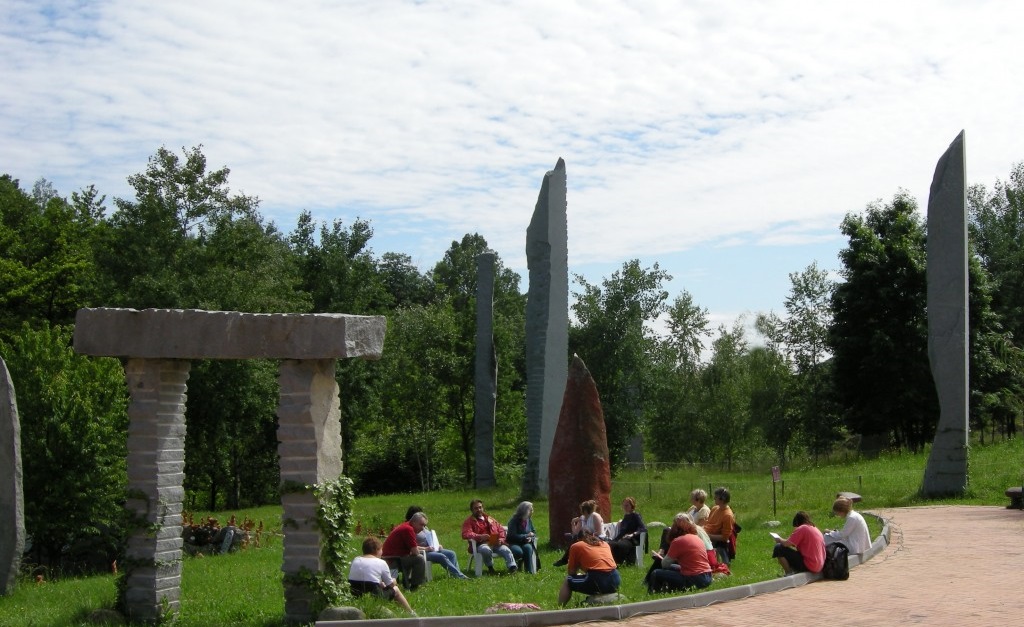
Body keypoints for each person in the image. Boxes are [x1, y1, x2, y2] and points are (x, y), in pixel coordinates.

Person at [348, 536, 415, 615]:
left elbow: (366, 578)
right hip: (373, 595)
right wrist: (394, 580)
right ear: (377, 550)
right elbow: (390, 584)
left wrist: (380, 583)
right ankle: (410, 612)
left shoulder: (356, 559)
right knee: (395, 589)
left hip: (355, 593)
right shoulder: (381, 562)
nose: (382, 552)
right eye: (381, 549)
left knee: (381, 585)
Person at [647, 514, 713, 593]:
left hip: (694, 579)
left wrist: (668, 557)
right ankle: (670, 589)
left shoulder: (678, 541)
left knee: (656, 573)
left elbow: (665, 564)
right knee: (672, 567)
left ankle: (654, 593)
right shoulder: (696, 538)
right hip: (707, 576)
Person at [558, 529, 621, 605]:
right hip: (615, 578)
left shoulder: (577, 545)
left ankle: (560, 607)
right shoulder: (604, 544)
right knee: (590, 578)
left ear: (578, 539)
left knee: (568, 580)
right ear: (593, 535)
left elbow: (571, 572)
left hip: (597, 579)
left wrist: (579, 567)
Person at [405, 505, 469, 580]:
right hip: (422, 552)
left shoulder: (424, 527)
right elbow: (412, 547)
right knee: (441, 556)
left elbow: (430, 538)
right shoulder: (410, 529)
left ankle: (455, 574)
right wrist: (426, 548)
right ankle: (460, 576)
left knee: (451, 553)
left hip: (431, 549)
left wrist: (437, 545)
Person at [461, 499, 517, 574]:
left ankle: (512, 567)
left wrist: (501, 539)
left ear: (483, 508)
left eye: (480, 507)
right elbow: (465, 534)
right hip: (480, 544)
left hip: (494, 542)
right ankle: (490, 568)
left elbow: (501, 529)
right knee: (485, 549)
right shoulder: (469, 521)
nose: (479, 510)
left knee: (505, 549)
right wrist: (480, 536)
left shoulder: (490, 519)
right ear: (472, 510)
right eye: (476, 508)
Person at [381, 511, 428, 590]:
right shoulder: (408, 529)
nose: (423, 528)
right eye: (421, 525)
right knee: (419, 559)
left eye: (424, 526)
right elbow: (415, 552)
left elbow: (413, 547)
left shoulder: (405, 526)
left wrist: (426, 549)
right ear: (414, 522)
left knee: (410, 557)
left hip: (390, 557)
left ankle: (407, 582)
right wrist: (418, 551)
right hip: (392, 560)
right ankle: (415, 586)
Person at [553, 500, 606, 567]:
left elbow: (599, 532)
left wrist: (588, 534)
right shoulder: (582, 518)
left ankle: (566, 560)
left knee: (576, 540)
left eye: (583, 510)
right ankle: (568, 560)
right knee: (575, 539)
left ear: (586, 510)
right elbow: (575, 532)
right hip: (587, 538)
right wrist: (573, 523)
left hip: (598, 538)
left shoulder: (595, 516)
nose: (582, 512)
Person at [772, 510, 826, 576]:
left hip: (810, 565)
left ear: (797, 522)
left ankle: (788, 573)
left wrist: (779, 539)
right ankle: (793, 570)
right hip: (819, 566)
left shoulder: (802, 528)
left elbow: (786, 544)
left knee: (778, 548)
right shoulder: (815, 529)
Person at [607, 497, 647, 566]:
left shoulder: (636, 515)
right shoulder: (626, 516)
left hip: (633, 539)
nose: (625, 507)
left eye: (627, 505)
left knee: (619, 545)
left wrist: (632, 534)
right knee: (610, 544)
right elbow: (622, 532)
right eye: (624, 505)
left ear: (632, 506)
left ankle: (617, 562)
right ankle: (611, 563)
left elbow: (643, 528)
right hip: (624, 539)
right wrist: (615, 539)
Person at [703, 487, 736, 564]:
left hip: (713, 540)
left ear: (722, 499)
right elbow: (708, 523)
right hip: (706, 535)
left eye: (716, 497)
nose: (714, 498)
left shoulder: (727, 515)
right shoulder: (715, 508)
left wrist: (707, 535)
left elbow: (725, 537)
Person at [506, 501, 540, 574]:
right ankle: (514, 567)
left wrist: (531, 537)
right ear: (525, 511)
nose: (532, 511)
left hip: (525, 542)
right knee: (518, 552)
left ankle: (529, 571)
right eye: (530, 510)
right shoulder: (514, 521)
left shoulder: (528, 520)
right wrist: (526, 536)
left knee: (528, 548)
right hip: (513, 543)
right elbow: (512, 535)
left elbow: (533, 532)